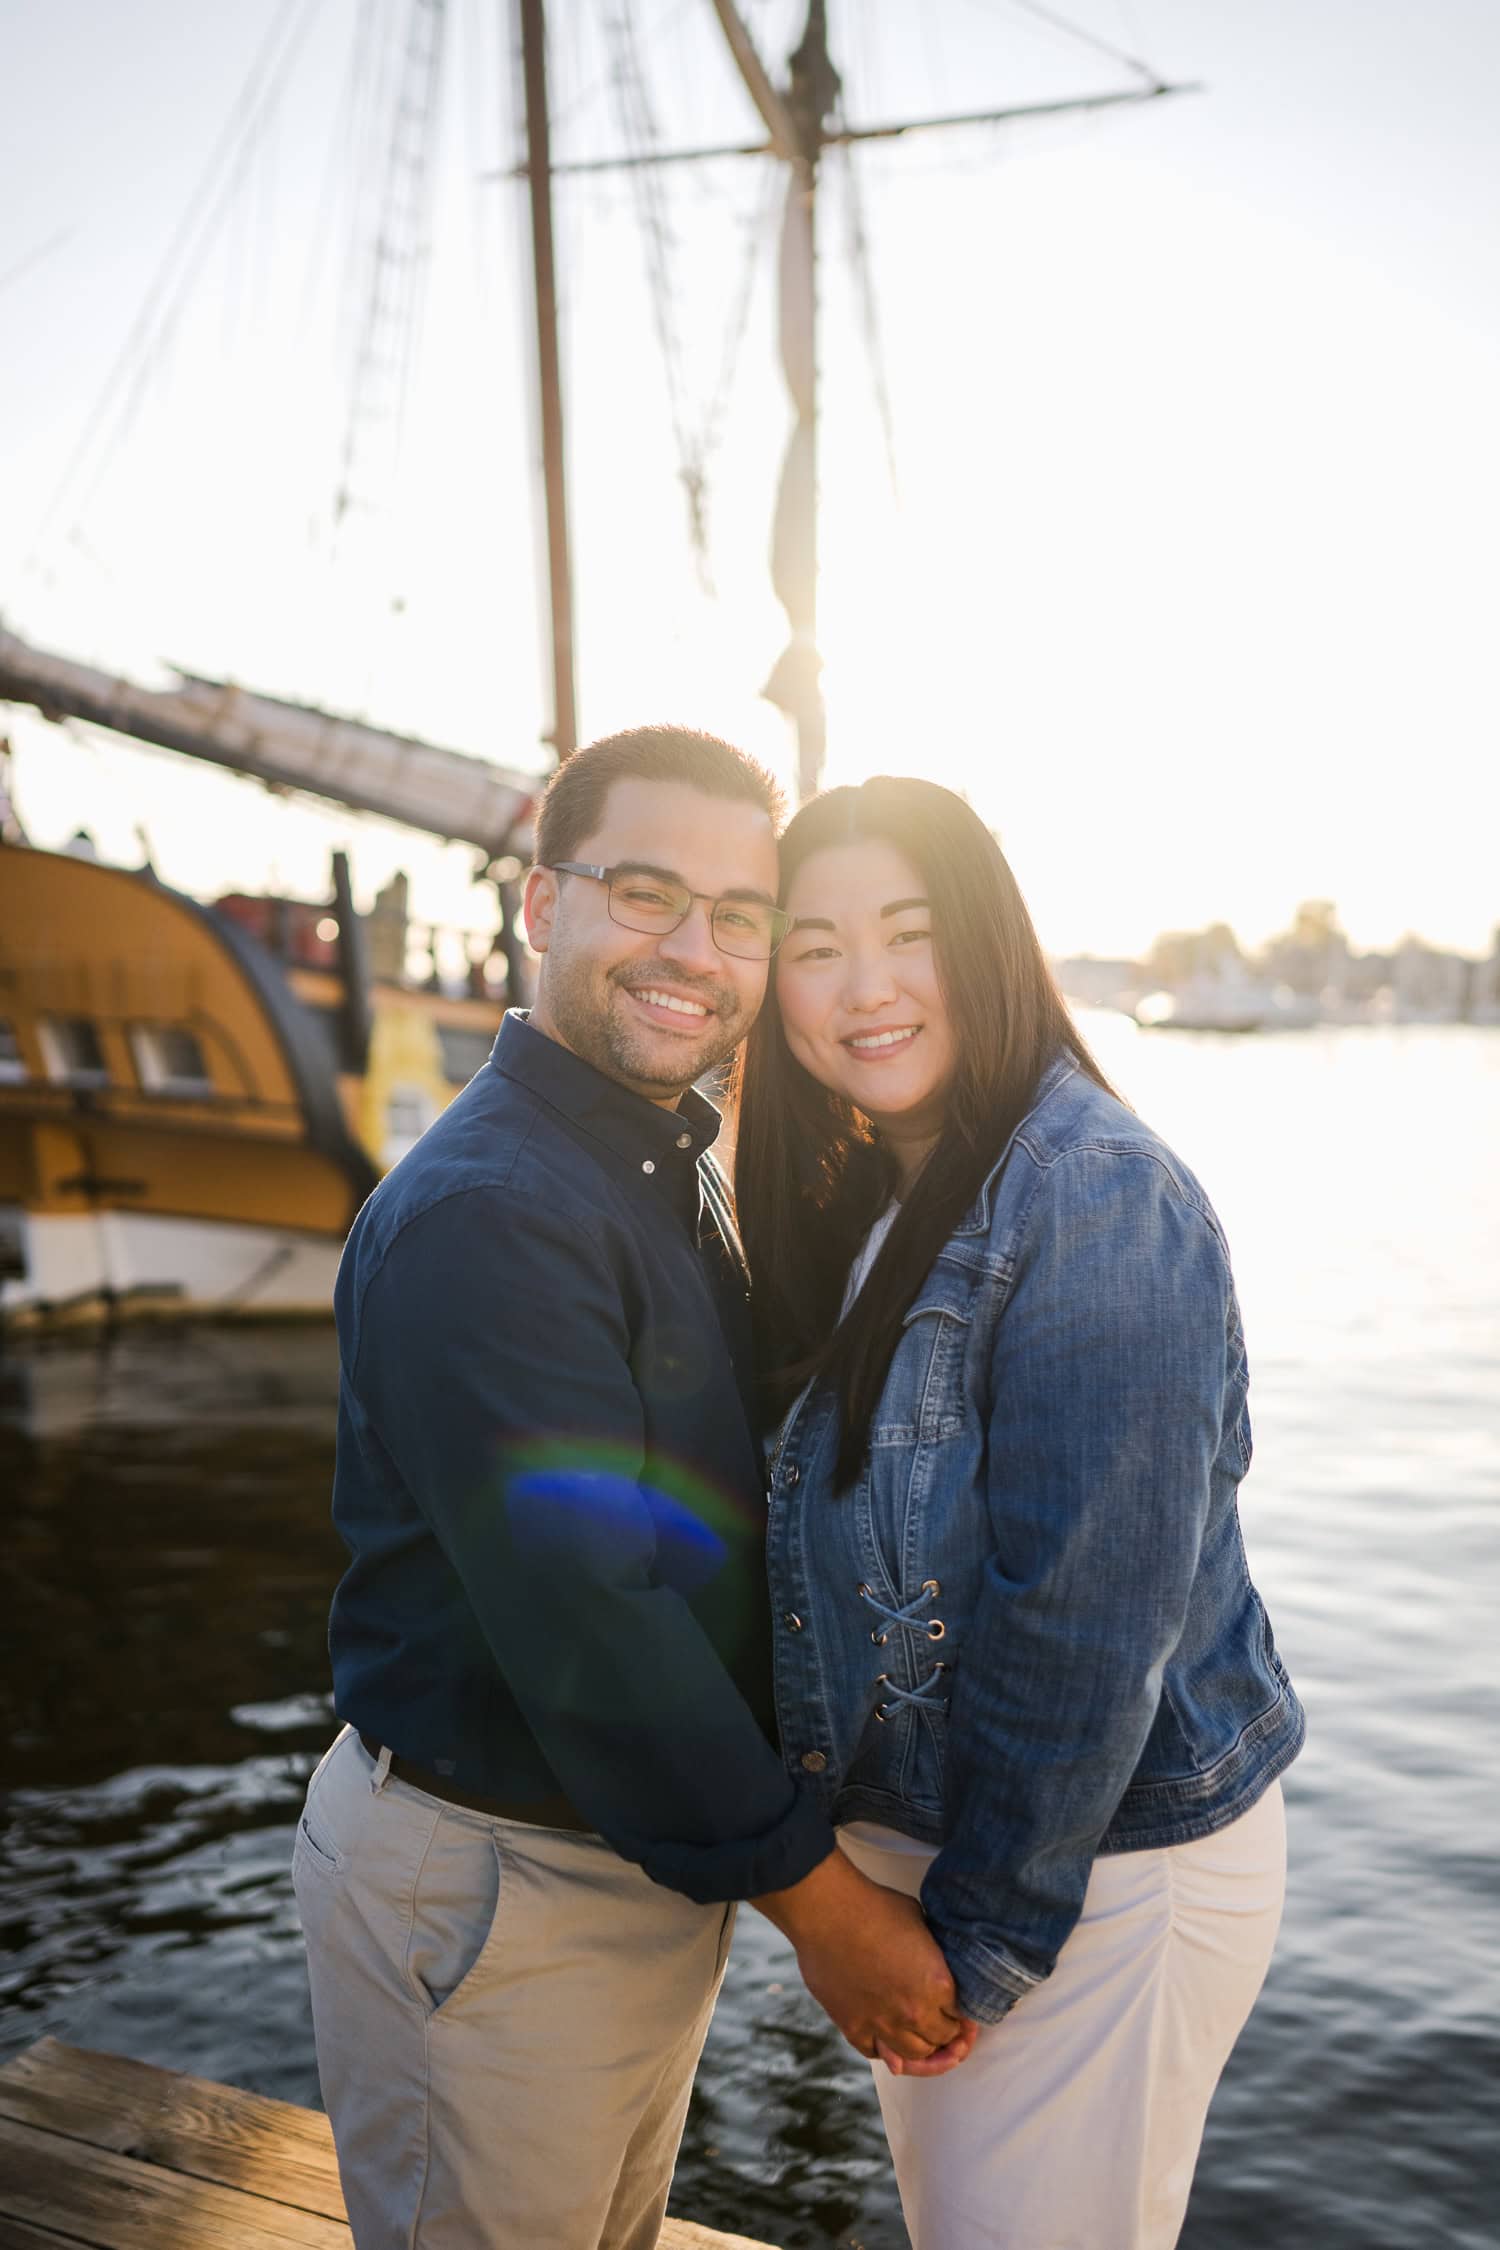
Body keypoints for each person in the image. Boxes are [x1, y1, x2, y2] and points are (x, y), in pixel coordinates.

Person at [292, 729, 974, 2250]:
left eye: (741, 914)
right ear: (542, 905)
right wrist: (831, 1910)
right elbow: (597, 1618)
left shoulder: (653, 1162)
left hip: (617, 1867)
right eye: (646, 892)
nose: (696, 951)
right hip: (492, 1886)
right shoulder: (495, 1214)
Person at [733, 775, 1306, 2250]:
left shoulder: (1093, 1197)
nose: (865, 987)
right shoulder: (881, 1192)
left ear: (985, 941)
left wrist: (971, 1950)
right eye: (815, 945)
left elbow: (1086, 1620)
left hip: (1093, 1879)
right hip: (953, 1863)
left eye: (908, 933)